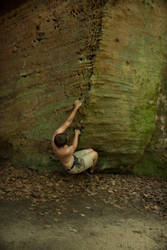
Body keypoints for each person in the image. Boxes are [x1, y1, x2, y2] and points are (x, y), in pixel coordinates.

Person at [51, 100, 98, 174]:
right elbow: (74, 146)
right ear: (64, 145)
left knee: (91, 150)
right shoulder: (65, 152)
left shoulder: (55, 137)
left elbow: (67, 122)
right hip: (74, 167)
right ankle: (91, 170)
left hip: (73, 158)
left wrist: (76, 108)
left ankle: (88, 164)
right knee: (95, 154)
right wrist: (76, 134)